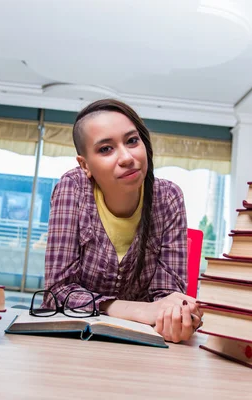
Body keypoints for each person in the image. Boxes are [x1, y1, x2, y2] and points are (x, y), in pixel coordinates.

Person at [43, 99, 202, 343]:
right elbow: (57, 292)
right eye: (106, 149)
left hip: (140, 343)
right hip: (72, 341)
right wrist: (136, 310)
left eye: (132, 141)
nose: (127, 157)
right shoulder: (72, 188)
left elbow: (167, 295)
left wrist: (177, 317)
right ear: (85, 165)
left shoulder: (168, 197)